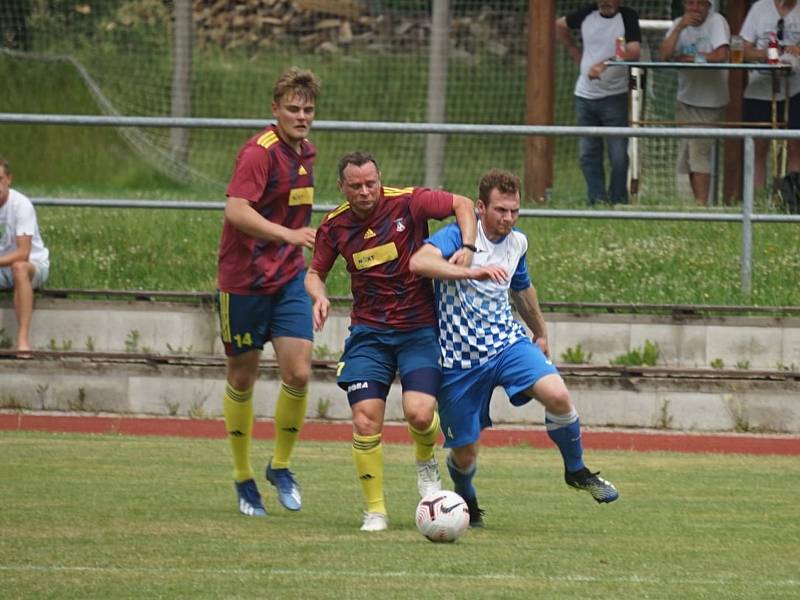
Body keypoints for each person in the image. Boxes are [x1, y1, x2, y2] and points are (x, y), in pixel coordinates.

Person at [409, 169, 619, 527]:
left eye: (514, 211)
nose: (508, 218)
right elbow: (418, 263)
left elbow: (522, 288)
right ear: (480, 208)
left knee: (558, 394)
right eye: (500, 210)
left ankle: (576, 469)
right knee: (465, 454)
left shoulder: (518, 242)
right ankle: (467, 501)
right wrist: (470, 271)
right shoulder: (457, 236)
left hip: (507, 344)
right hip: (458, 360)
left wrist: (540, 331)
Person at [304, 151, 478, 532]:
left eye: (371, 183)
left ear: (379, 179)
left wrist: (467, 246)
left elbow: (463, 204)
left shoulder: (408, 202)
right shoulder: (334, 226)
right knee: (365, 420)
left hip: (418, 330)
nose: (365, 192)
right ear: (342, 187)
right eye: (356, 186)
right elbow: (314, 272)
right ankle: (375, 511)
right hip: (369, 334)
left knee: (419, 413)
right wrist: (318, 295)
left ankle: (426, 463)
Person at [216, 67, 320, 517]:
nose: (301, 116)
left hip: (288, 280)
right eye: (293, 109)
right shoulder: (258, 154)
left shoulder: (306, 153)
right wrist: (287, 235)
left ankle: (280, 465)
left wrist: (313, 277)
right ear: (274, 109)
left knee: (298, 372)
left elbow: (300, 224)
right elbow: (236, 211)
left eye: (308, 110)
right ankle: (242, 477)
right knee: (243, 376)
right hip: (244, 282)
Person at [555, 0, 641, 205]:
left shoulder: (627, 16)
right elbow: (560, 25)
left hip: (614, 95)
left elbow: (634, 51)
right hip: (584, 96)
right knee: (588, 153)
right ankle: (596, 200)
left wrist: (605, 64)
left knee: (618, 154)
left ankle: (618, 200)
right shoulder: (587, 14)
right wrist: (574, 51)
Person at [658, 0, 730, 205]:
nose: (695, 8)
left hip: (710, 100)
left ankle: (701, 205)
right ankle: (694, 203)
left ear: (709, 6)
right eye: (691, 3)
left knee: (698, 152)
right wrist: (680, 27)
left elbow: (722, 54)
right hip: (685, 98)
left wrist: (693, 58)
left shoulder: (717, 22)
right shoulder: (679, 24)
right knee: (686, 154)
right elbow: (663, 55)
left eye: (700, 3)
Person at [740, 0, 800, 188]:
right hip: (760, 89)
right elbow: (743, 50)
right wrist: (768, 54)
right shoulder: (760, 8)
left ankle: (790, 202)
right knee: (757, 147)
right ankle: (755, 204)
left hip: (796, 89)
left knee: (795, 146)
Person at [0, 156, 49, 354]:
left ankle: (22, 341)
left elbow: (23, 252)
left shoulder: (21, 205)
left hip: (32, 265)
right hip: (3, 268)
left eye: (0, 179)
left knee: (19, 267)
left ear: (9, 179)